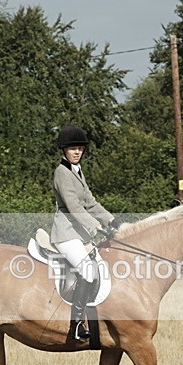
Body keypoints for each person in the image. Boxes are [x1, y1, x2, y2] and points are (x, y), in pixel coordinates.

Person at [50, 125, 120, 341]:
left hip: (78, 234)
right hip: (66, 233)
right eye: (73, 149)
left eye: (80, 148)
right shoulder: (62, 172)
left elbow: (90, 202)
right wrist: (96, 226)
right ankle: (77, 324)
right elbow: (74, 206)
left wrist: (110, 219)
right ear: (64, 150)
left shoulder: (77, 171)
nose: (77, 152)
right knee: (88, 271)